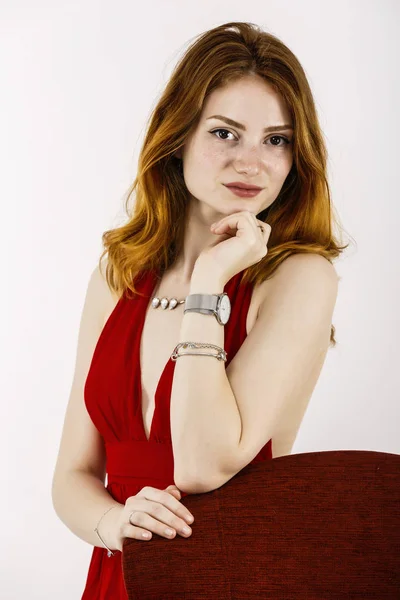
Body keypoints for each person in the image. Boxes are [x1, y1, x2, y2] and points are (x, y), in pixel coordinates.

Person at [51, 21, 348, 599]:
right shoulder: (115, 280)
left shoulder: (299, 279)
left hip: (231, 579)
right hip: (119, 577)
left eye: (277, 139)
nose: (252, 162)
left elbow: (201, 465)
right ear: (178, 136)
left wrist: (211, 277)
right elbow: (72, 476)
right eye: (225, 133)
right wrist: (115, 525)